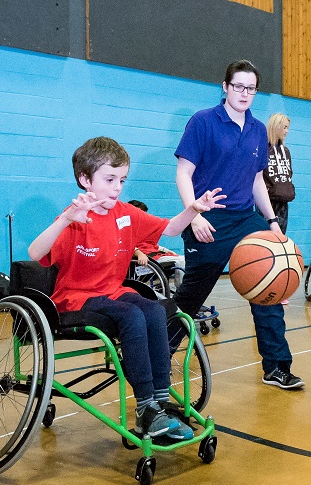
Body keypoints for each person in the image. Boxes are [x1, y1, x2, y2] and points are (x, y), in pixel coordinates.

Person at [29, 137, 225, 439]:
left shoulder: (125, 213)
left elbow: (171, 228)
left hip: (113, 292)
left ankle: (160, 402)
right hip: (76, 298)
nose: (117, 187)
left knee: (154, 311)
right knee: (131, 316)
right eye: (109, 180)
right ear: (85, 179)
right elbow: (34, 253)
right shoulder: (75, 217)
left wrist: (194, 209)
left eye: (121, 180)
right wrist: (65, 220)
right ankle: (145, 407)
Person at [172, 59, 303, 390]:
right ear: (225, 87)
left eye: (251, 88)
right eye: (239, 86)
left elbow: (257, 181)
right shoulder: (203, 121)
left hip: (246, 218)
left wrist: (271, 221)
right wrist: (194, 215)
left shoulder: (258, 130)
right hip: (209, 218)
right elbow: (183, 173)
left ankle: (277, 367)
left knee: (269, 287)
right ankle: (155, 355)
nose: (245, 93)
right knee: (191, 296)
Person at [263, 113, 295, 234]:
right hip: (267, 199)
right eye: (284, 127)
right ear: (276, 126)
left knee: (280, 235)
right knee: (265, 234)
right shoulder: (263, 148)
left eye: (288, 128)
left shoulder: (285, 151)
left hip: (283, 199)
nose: (287, 131)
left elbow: (289, 173)